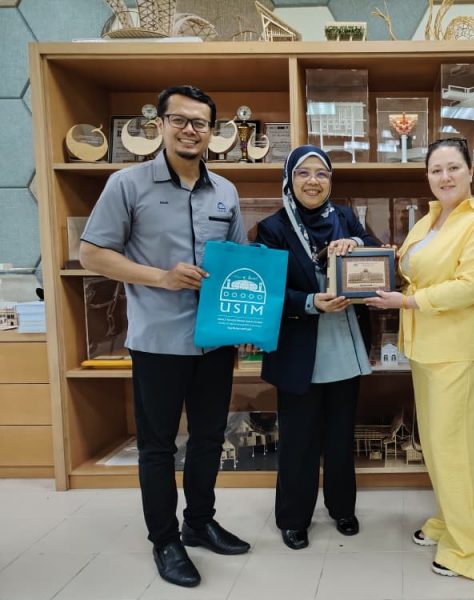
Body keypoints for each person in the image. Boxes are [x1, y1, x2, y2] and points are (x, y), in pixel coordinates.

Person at [79, 85, 251, 588]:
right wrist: (161, 277)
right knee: (157, 447)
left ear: (212, 132)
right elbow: (92, 254)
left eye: (200, 123)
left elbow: (239, 264)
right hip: (158, 342)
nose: (190, 130)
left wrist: (245, 325)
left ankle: (199, 522)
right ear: (160, 124)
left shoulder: (226, 191)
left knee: (209, 437)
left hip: (215, 341)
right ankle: (165, 540)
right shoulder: (126, 184)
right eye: (180, 120)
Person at [365, 138, 474, 579]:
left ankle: (471, 548)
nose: (444, 177)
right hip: (426, 346)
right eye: (436, 170)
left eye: (453, 168)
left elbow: (472, 286)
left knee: (459, 449)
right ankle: (450, 520)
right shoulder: (430, 218)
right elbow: (409, 267)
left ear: (471, 171)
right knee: (438, 445)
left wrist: (407, 303)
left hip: (459, 348)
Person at [256, 145, 381, 551]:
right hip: (299, 349)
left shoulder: (344, 216)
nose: (313, 181)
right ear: (289, 179)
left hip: (343, 343)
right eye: (303, 173)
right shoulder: (272, 228)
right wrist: (311, 302)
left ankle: (342, 508)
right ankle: (294, 518)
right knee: (299, 440)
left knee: (341, 436)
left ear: (331, 180)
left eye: (322, 174)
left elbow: (374, 248)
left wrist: (354, 245)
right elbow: (268, 291)